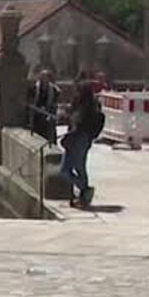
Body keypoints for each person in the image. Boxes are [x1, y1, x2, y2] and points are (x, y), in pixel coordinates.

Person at [59, 78, 103, 209]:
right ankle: (83, 191)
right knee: (65, 169)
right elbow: (72, 119)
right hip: (73, 138)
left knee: (79, 167)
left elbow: (82, 123)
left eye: (78, 90)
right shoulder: (77, 103)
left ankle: (84, 191)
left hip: (81, 139)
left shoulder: (90, 106)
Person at [29, 68, 61, 140]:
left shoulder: (54, 90)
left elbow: (55, 104)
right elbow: (31, 102)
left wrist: (48, 110)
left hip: (48, 116)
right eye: (42, 77)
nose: (44, 80)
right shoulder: (35, 88)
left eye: (46, 78)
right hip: (36, 116)